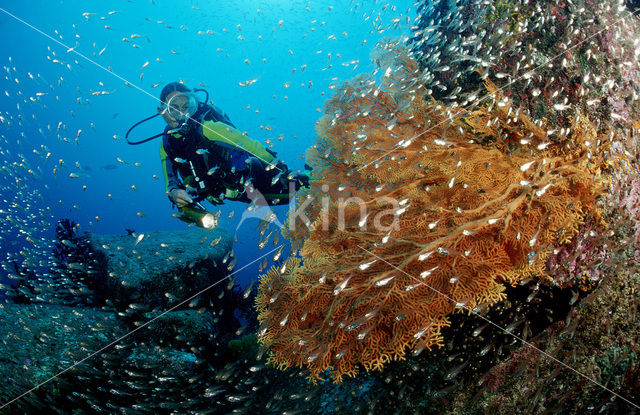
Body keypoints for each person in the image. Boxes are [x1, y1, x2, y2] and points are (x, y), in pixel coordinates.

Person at [157, 82, 310, 209]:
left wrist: (281, 170)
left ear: (194, 105)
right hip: (227, 193)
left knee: (291, 191)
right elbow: (170, 180)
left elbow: (252, 146)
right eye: (174, 108)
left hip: (250, 180)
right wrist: (174, 192)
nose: (182, 114)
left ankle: (316, 175)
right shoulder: (166, 144)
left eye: (186, 107)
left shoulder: (209, 128)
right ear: (161, 111)